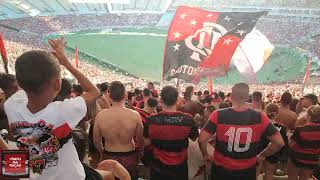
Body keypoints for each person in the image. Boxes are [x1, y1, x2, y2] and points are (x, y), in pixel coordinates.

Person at [4, 38, 100, 179]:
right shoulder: (64, 112)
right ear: (57, 84)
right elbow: (94, 91)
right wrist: (65, 63)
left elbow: (27, 81)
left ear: (19, 83)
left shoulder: (11, 105)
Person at [198, 83, 284, 180]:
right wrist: (262, 155)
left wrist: (206, 155)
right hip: (246, 171)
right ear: (247, 97)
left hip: (221, 170)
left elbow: (201, 139)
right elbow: (279, 142)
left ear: (231, 96)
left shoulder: (218, 114)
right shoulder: (259, 117)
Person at [144, 86, 199, 180]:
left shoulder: (151, 120)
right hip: (180, 168)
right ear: (177, 100)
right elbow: (194, 138)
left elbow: (146, 142)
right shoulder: (188, 119)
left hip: (158, 168)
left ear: (160, 100)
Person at [93, 81, 143, 180]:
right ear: (126, 95)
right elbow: (139, 139)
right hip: (129, 156)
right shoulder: (135, 115)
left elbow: (96, 140)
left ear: (110, 96)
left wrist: (101, 152)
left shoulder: (100, 116)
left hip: (109, 155)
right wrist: (141, 152)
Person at [288, 105, 320, 180]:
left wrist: (290, 136)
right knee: (304, 178)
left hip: (296, 157)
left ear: (308, 116)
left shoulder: (300, 129)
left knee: (292, 177)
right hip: (312, 159)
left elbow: (290, 144)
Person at [262, 103, 288, 180]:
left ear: (265, 112)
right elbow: (283, 144)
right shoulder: (282, 128)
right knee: (269, 173)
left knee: (257, 173)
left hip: (260, 151)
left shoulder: (261, 125)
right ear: (277, 113)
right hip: (274, 153)